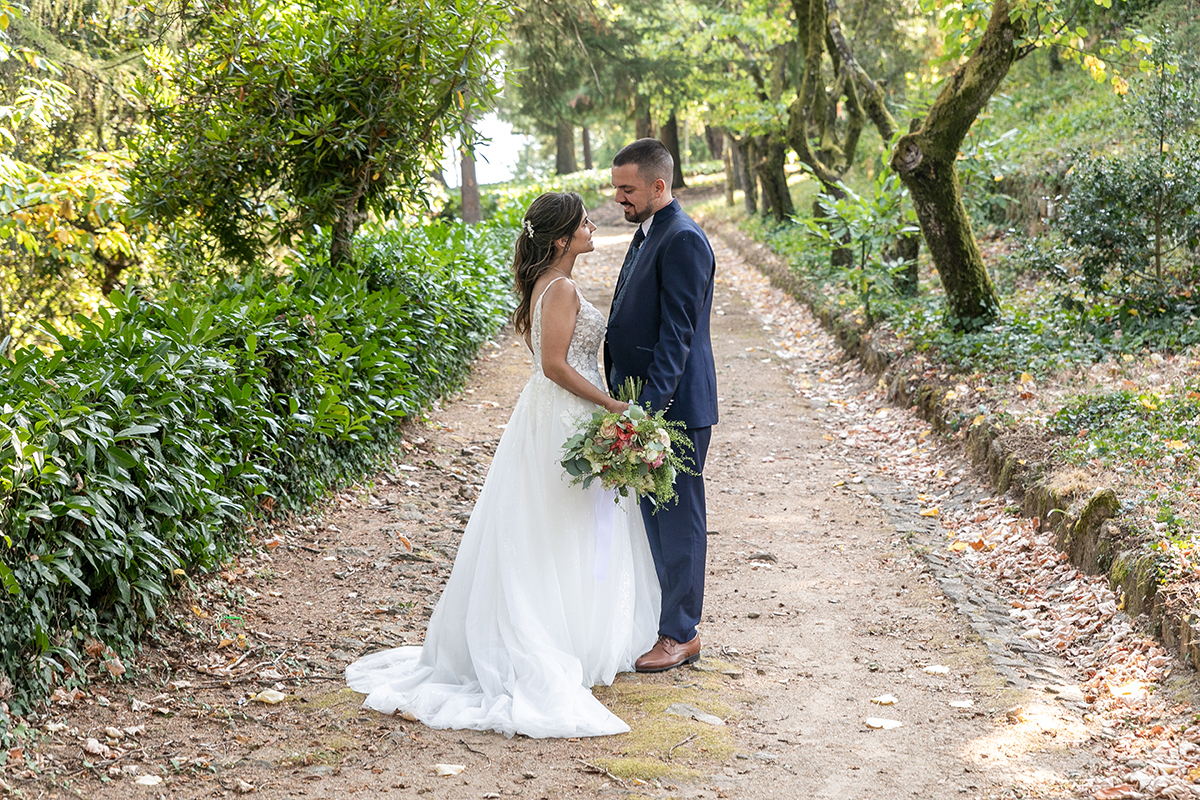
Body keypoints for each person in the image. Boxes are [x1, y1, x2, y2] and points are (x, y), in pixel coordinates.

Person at [345, 192, 660, 739]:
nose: (591, 226)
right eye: (583, 222)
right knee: (561, 523)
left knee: (561, 524)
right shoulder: (560, 288)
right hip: (566, 412)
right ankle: (550, 637)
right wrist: (612, 405)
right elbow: (555, 365)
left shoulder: (551, 283)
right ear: (560, 239)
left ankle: (573, 631)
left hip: (557, 411)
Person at [605, 139, 718, 673]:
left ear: (658, 185)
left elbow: (678, 336)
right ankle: (664, 622)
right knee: (654, 519)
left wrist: (646, 412)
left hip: (674, 407)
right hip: (647, 404)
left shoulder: (683, 239)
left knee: (678, 521)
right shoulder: (649, 230)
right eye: (616, 188)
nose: (618, 198)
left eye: (627, 189)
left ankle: (681, 635)